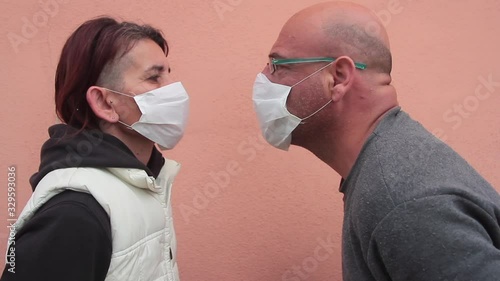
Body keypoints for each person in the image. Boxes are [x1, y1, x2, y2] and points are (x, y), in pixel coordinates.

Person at [252, 1, 500, 280]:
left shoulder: (405, 202)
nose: (263, 78)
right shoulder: (389, 169)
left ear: (338, 77)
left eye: (277, 64)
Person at [1, 16, 189, 281]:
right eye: (154, 78)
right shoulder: (74, 213)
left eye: (169, 75)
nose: (175, 91)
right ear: (104, 103)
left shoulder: (144, 182)